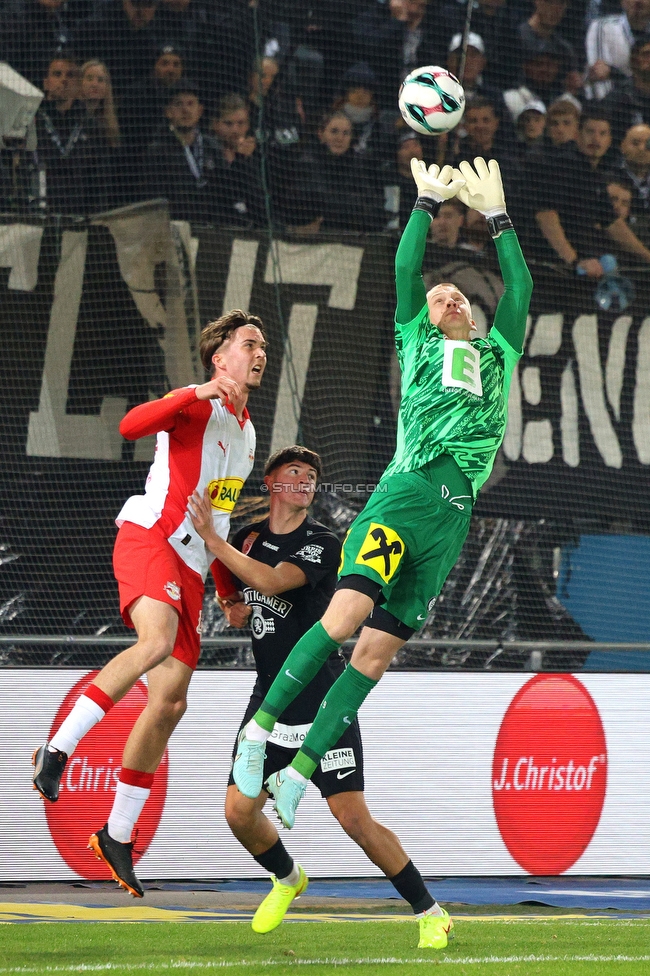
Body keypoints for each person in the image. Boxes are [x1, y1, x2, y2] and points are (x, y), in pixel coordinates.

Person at [230, 158, 533, 952]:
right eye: (439, 296)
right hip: (402, 497)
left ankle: (299, 778)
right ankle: (261, 733)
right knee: (342, 619)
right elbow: (405, 269)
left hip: (451, 524)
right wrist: (427, 202)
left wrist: (499, 216)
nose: (448, 297)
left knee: (372, 656)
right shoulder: (416, 341)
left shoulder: (497, 353)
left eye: (457, 295)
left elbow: (521, 287)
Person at [31, 309, 267, 899]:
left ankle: (116, 835)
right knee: (155, 642)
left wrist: (226, 590)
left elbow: (217, 518)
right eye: (249, 344)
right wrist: (194, 391)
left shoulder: (247, 434)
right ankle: (57, 749)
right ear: (220, 358)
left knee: (170, 701)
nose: (260, 353)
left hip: (191, 565)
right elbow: (130, 425)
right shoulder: (195, 402)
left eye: (263, 345)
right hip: (151, 538)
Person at [187, 446, 452, 946]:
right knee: (238, 812)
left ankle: (430, 911)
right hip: (268, 695)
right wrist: (227, 601)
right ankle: (288, 878)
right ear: (270, 482)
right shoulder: (248, 538)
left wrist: (211, 540)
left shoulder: (324, 543)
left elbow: (269, 581)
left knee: (353, 818)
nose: (306, 481)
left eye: (311, 475)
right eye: (294, 472)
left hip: (321, 699)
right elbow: (236, 583)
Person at [586, 0, 650, 100]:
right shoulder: (603, 27)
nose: (638, 1)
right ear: (623, 2)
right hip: (612, 105)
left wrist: (614, 73)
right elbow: (598, 78)